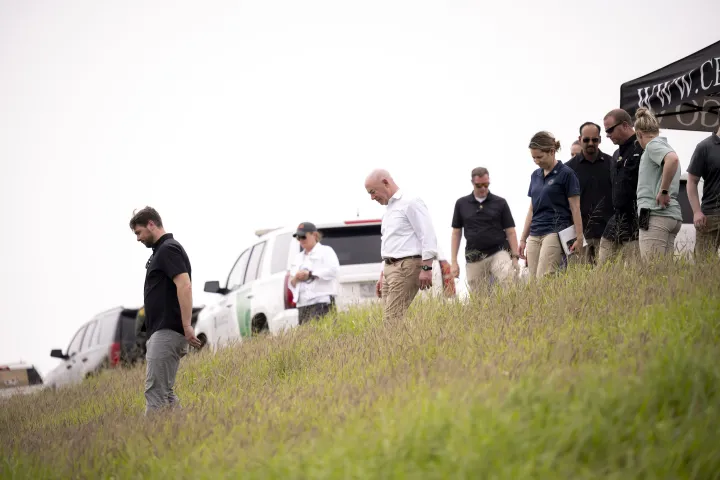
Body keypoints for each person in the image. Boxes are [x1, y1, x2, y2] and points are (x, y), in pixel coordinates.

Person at [129, 206, 200, 415]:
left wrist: (186, 325)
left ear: (151, 224)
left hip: (167, 331)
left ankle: (150, 441)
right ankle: (184, 433)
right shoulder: (161, 252)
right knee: (166, 394)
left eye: (139, 232)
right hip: (162, 331)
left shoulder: (168, 249)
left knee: (155, 393)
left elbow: (184, 285)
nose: (138, 238)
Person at [365, 168, 439, 322]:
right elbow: (389, 244)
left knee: (392, 318)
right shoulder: (388, 210)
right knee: (391, 319)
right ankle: (406, 345)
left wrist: (426, 267)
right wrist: (382, 274)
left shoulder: (410, 202)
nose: (372, 197)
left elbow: (427, 234)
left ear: (385, 183)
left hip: (406, 265)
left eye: (373, 192)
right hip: (389, 269)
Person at [519, 131, 583, 278]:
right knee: (533, 280)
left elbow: (575, 208)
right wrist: (523, 238)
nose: (536, 161)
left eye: (539, 157)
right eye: (533, 157)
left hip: (555, 231)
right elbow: (531, 209)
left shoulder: (567, 174)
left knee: (545, 276)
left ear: (552, 151)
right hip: (535, 233)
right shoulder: (535, 176)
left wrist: (579, 237)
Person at [450, 166, 519, 292]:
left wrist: (515, 257)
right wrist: (454, 261)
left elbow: (511, 231)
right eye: (479, 185)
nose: (483, 188)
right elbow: (456, 233)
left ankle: (512, 309)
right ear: (472, 183)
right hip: (474, 256)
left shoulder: (500, 202)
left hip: (498, 252)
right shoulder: (461, 204)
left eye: (486, 185)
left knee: (507, 278)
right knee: (479, 296)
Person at [634, 108, 682, 260]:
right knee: (665, 272)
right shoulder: (665, 146)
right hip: (670, 214)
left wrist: (663, 191)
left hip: (654, 214)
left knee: (652, 270)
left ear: (639, 134)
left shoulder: (652, 146)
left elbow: (672, 159)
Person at [599, 108, 643, 264]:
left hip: (636, 218)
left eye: (610, 129)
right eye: (606, 131)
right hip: (616, 216)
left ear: (625, 125)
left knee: (634, 268)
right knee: (603, 266)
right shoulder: (616, 155)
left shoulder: (642, 147)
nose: (607, 135)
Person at [566, 122, 614, 264]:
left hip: (607, 234)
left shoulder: (611, 163)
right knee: (578, 280)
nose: (591, 143)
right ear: (580, 139)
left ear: (600, 139)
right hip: (578, 235)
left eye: (594, 139)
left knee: (607, 278)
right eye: (586, 140)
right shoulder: (568, 168)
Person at [288, 222, 340, 324]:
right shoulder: (298, 258)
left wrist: (310, 274)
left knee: (324, 336)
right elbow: (291, 283)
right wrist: (296, 279)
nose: (301, 240)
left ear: (314, 235)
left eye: (303, 237)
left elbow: (334, 271)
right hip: (302, 305)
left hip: (321, 302)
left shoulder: (326, 251)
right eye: (298, 238)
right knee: (307, 338)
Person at [687, 126, 720, 258]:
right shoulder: (704, 147)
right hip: (710, 217)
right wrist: (696, 211)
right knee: (703, 265)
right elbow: (692, 181)